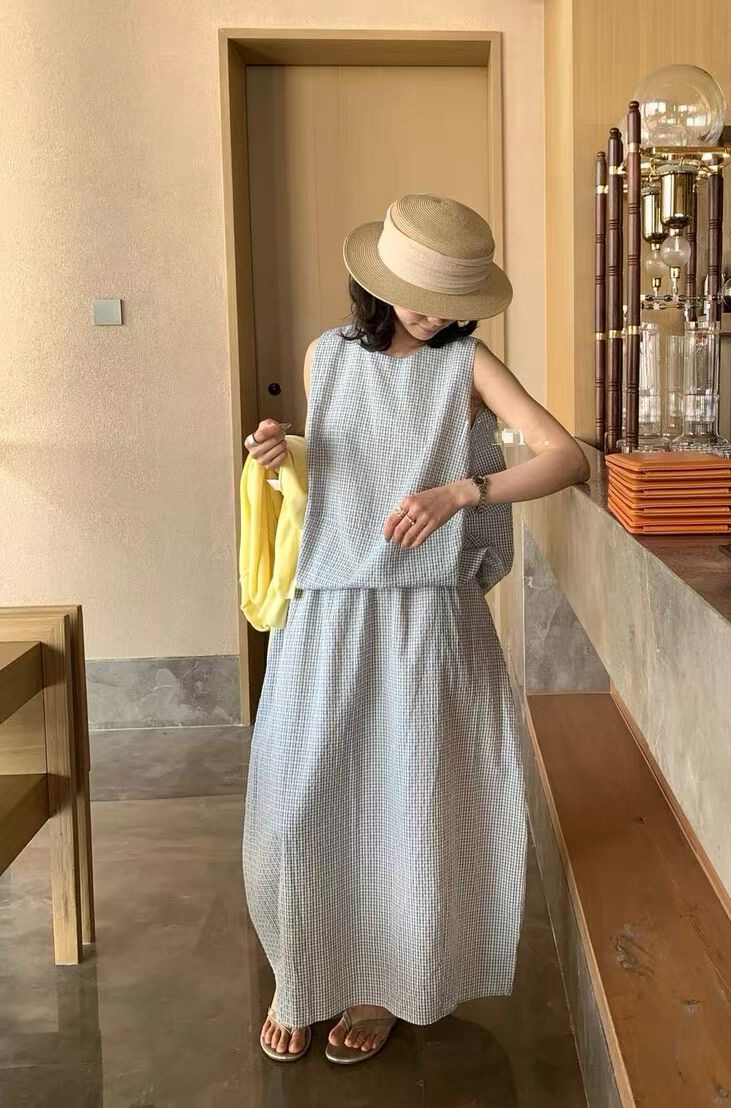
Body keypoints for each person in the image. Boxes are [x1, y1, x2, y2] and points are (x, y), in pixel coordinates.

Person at [243, 193, 589, 1065]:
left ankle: (383, 986)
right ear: (380, 281)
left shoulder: (468, 363)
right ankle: (300, 971)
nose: (434, 314)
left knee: (406, 807)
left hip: (427, 615)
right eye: (420, 296)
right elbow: (344, 465)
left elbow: (565, 457)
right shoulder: (327, 354)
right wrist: (284, 453)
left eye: (450, 301)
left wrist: (464, 490)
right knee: (300, 802)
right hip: (327, 609)